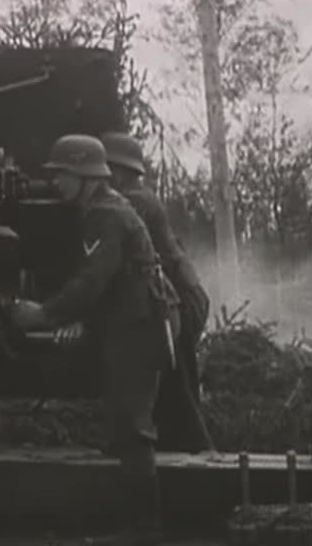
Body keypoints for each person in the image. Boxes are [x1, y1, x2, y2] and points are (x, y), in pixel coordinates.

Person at [9, 134, 178, 546]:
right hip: (130, 322)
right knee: (122, 421)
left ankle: (144, 530)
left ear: (85, 175)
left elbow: (91, 283)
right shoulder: (101, 210)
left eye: (62, 174)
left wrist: (44, 314)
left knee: (132, 425)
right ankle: (128, 519)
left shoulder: (106, 215)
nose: (55, 183)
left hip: (140, 327)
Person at [100, 131, 214, 454]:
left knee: (179, 395)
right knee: (170, 393)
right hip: (177, 297)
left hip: (178, 301)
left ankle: (203, 464)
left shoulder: (134, 201)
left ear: (118, 171)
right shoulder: (138, 196)